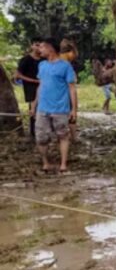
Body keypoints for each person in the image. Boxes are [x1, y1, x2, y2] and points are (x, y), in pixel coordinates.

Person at [30, 38, 77, 174]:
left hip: (60, 108)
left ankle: (63, 164)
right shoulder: (42, 65)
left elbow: (71, 88)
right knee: (41, 137)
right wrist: (34, 105)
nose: (40, 50)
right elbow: (40, 85)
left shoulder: (65, 66)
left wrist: (74, 109)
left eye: (42, 47)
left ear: (50, 48)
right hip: (43, 108)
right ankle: (46, 162)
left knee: (62, 136)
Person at [15, 37, 42, 138]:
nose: (38, 47)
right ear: (32, 46)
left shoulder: (45, 59)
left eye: (40, 45)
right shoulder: (26, 59)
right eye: (36, 45)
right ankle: (33, 133)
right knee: (33, 109)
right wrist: (34, 80)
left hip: (45, 86)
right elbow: (17, 75)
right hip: (31, 87)